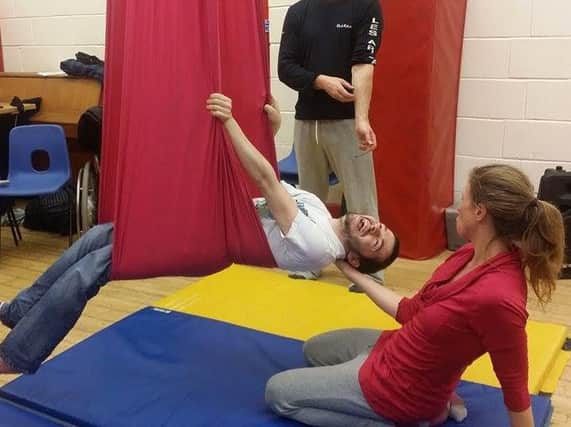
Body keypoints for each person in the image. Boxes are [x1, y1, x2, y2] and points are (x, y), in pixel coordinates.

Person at [0, 93, 399, 375]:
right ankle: (21, 311)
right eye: (381, 226)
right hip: (205, 222)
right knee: (99, 237)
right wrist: (271, 129)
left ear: (356, 258)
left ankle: (20, 355)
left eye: (375, 240)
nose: (374, 226)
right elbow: (272, 177)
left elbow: (262, 179)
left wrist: (230, 122)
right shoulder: (318, 208)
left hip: (209, 244)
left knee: (98, 265)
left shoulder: (319, 245)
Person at [265, 164, 565, 427]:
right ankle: (439, 399)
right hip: (397, 349)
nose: (458, 206)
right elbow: (410, 312)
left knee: (278, 394)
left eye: (463, 198)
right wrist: (352, 271)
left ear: (480, 212)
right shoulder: (469, 253)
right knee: (314, 350)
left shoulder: (500, 298)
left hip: (399, 392)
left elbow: (515, 388)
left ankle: (395, 418)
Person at [278, 0, 384, 283]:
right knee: (309, 198)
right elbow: (285, 68)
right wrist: (320, 81)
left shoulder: (364, 8)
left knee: (361, 198)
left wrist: (361, 119)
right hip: (307, 122)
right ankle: (310, 260)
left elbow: (363, 65)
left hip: (347, 123)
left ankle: (368, 271)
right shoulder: (299, 11)